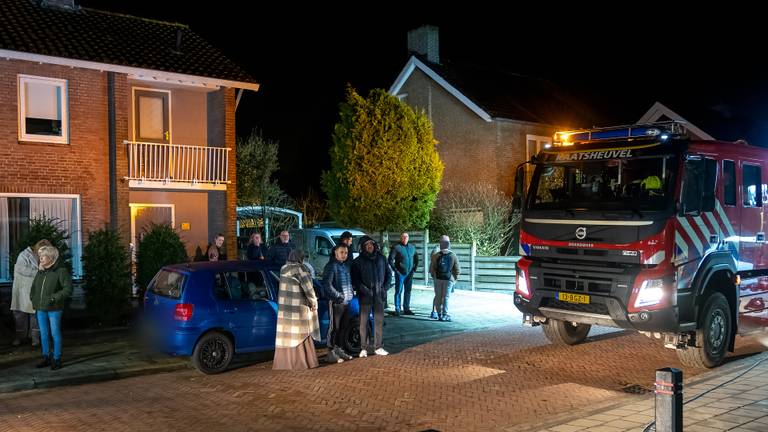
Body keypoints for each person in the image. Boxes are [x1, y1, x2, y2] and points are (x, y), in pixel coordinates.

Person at [273, 249, 321, 370]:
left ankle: (284, 363)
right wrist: (314, 301)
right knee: (301, 332)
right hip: (299, 307)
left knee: (287, 335)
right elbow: (308, 288)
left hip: (284, 308)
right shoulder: (301, 268)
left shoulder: (283, 268)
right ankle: (304, 362)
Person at [29, 245, 72, 370]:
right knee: (44, 334)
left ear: (51, 257)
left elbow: (68, 289)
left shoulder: (61, 271)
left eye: (43, 256)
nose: (40, 259)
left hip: (54, 308)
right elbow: (34, 288)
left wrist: (53, 298)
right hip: (40, 308)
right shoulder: (40, 272)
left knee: (55, 333)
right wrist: (33, 297)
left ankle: (57, 358)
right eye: (40, 256)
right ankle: (46, 357)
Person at [351, 236, 391, 357]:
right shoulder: (357, 262)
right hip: (365, 297)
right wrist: (365, 290)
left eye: (371, 244)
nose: (370, 246)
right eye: (367, 244)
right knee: (363, 323)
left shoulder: (382, 259)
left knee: (378, 322)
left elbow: (389, 274)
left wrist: (384, 288)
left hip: (379, 296)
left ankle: (378, 347)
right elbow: (355, 280)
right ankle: (364, 348)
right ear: (363, 247)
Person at [10, 239, 51, 347]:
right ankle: (20, 337)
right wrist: (38, 271)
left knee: (35, 315)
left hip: (35, 290)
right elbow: (21, 270)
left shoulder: (41, 256)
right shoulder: (23, 255)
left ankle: (35, 339)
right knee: (20, 315)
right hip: (22, 289)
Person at [322, 244, 354, 363]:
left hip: (347, 302)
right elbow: (326, 284)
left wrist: (350, 293)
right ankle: (330, 352)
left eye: (345, 252)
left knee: (343, 327)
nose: (344, 255)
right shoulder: (331, 266)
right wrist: (338, 296)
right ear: (336, 252)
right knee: (334, 328)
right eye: (341, 252)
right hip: (336, 303)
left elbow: (348, 282)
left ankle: (339, 349)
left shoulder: (345, 266)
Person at [430, 236, 460, 322]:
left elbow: (432, 268)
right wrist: (454, 280)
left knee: (438, 296)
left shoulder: (436, 254)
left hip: (438, 279)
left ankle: (438, 314)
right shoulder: (452, 255)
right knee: (446, 297)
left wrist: (435, 278)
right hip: (448, 279)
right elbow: (457, 269)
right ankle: (445, 314)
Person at [388, 232, 419, 316]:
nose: (405, 238)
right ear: (400, 238)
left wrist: (414, 269)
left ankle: (406, 308)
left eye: (406, 237)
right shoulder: (396, 247)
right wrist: (396, 271)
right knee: (398, 291)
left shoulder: (412, 247)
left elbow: (416, 258)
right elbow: (390, 260)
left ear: (408, 238)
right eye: (403, 237)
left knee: (408, 291)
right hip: (400, 274)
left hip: (409, 274)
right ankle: (397, 309)